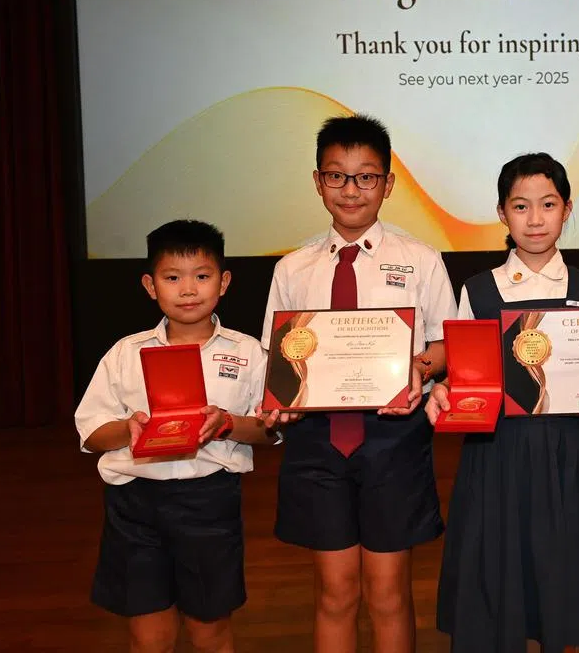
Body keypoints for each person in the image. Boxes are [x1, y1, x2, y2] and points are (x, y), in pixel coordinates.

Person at [426, 152, 579, 653]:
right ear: (501, 214)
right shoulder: (477, 290)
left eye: (548, 204)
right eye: (520, 206)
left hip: (571, 454)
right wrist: (447, 392)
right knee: (501, 583)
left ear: (567, 209)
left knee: (567, 582)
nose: (535, 219)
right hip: (497, 456)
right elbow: (467, 376)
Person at [260, 115, 457, 653]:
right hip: (317, 443)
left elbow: (447, 345)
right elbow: (277, 356)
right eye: (337, 176)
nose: (351, 190)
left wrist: (418, 367)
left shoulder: (419, 261)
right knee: (334, 591)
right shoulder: (292, 269)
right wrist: (282, 399)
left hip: (394, 440)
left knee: (389, 592)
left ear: (388, 184)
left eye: (366, 177)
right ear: (318, 181)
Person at [74, 219, 277, 653]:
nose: (188, 290)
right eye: (172, 278)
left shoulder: (248, 354)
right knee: (148, 635)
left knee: (210, 631)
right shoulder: (125, 353)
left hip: (209, 503)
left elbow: (268, 431)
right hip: (134, 505)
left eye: (201, 277)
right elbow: (91, 433)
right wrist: (127, 431)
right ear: (150, 285)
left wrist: (226, 423)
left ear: (223, 282)